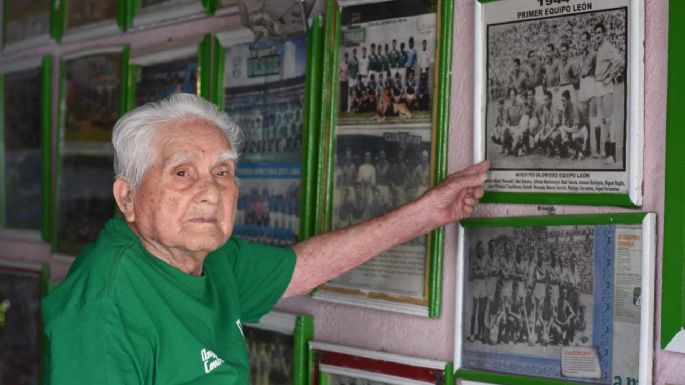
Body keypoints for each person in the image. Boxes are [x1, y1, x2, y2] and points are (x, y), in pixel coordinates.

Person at [42, 93, 489, 384]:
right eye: (182, 173)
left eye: (222, 173)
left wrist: (428, 212)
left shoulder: (210, 258)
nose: (210, 193)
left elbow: (304, 267)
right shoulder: (103, 307)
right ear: (128, 197)